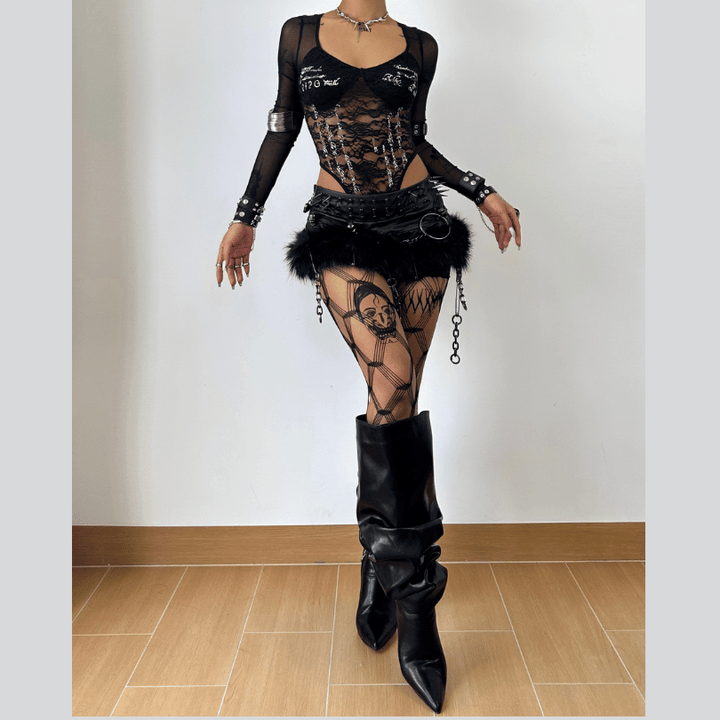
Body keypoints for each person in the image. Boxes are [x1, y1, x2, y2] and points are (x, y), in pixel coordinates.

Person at [215, 2, 521, 713]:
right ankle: (417, 607)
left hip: (420, 221)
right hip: (340, 226)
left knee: (399, 399)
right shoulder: (299, 34)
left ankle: (380, 556)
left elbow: (416, 141)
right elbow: (282, 128)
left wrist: (480, 190)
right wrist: (245, 216)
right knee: (393, 378)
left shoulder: (420, 45)